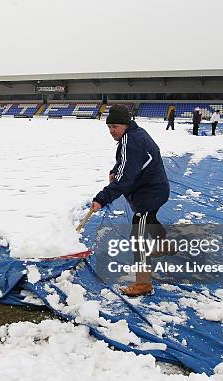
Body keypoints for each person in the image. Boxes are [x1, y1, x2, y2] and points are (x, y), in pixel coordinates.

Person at [91, 104, 170, 297]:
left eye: (115, 126)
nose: (112, 131)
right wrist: (114, 171)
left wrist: (102, 198)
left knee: (138, 235)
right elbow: (127, 164)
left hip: (149, 193)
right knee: (149, 218)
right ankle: (164, 244)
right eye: (109, 127)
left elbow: (125, 178)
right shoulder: (133, 135)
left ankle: (143, 284)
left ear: (126, 124)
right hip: (155, 190)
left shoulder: (132, 141)